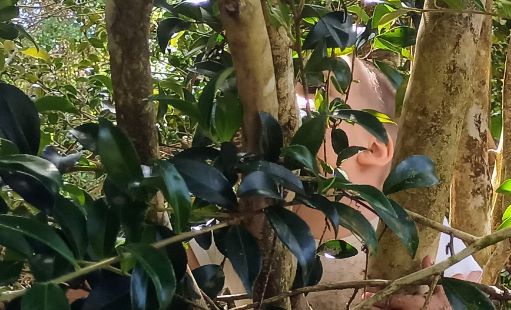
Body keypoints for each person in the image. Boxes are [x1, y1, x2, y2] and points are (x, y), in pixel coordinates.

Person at [189, 57, 482, 310]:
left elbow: (469, 293)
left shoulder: (425, 235)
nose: (288, 104)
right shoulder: (228, 233)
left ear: (373, 147)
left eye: (316, 92)